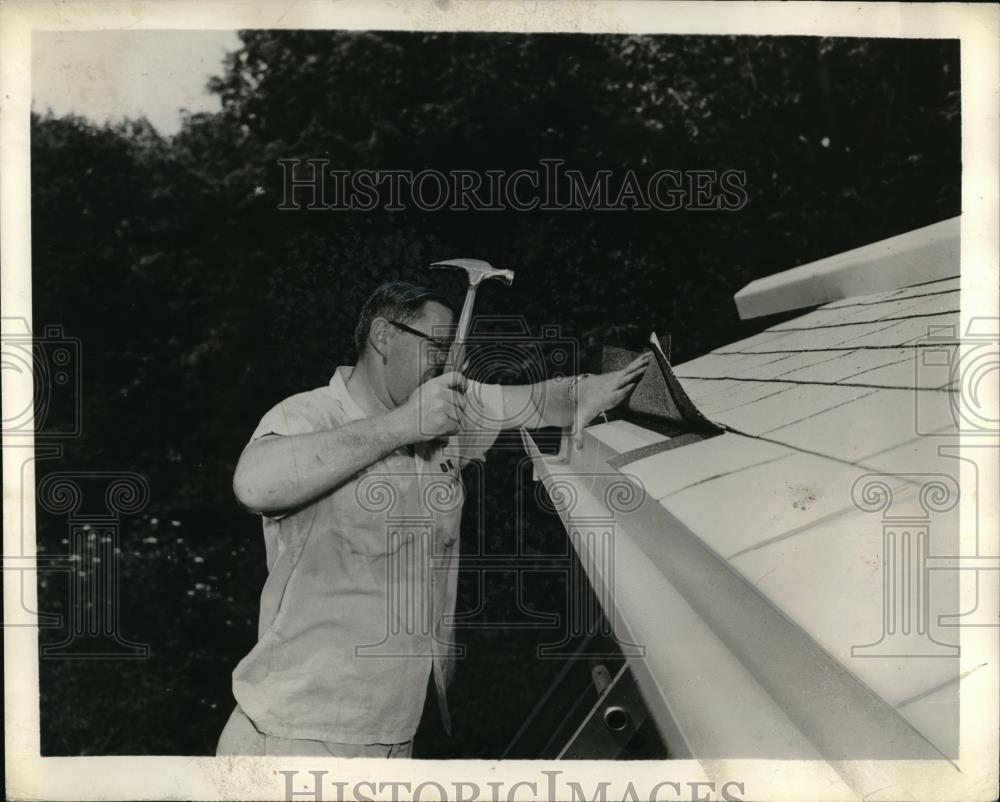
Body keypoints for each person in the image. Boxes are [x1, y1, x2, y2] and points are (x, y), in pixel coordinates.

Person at [215, 280, 651, 757]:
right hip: (293, 733)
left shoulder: (444, 415)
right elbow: (253, 484)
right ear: (383, 335)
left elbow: (543, 400)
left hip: (395, 733)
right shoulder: (309, 415)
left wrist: (599, 388)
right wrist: (404, 425)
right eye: (439, 345)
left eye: (456, 352)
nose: (450, 364)